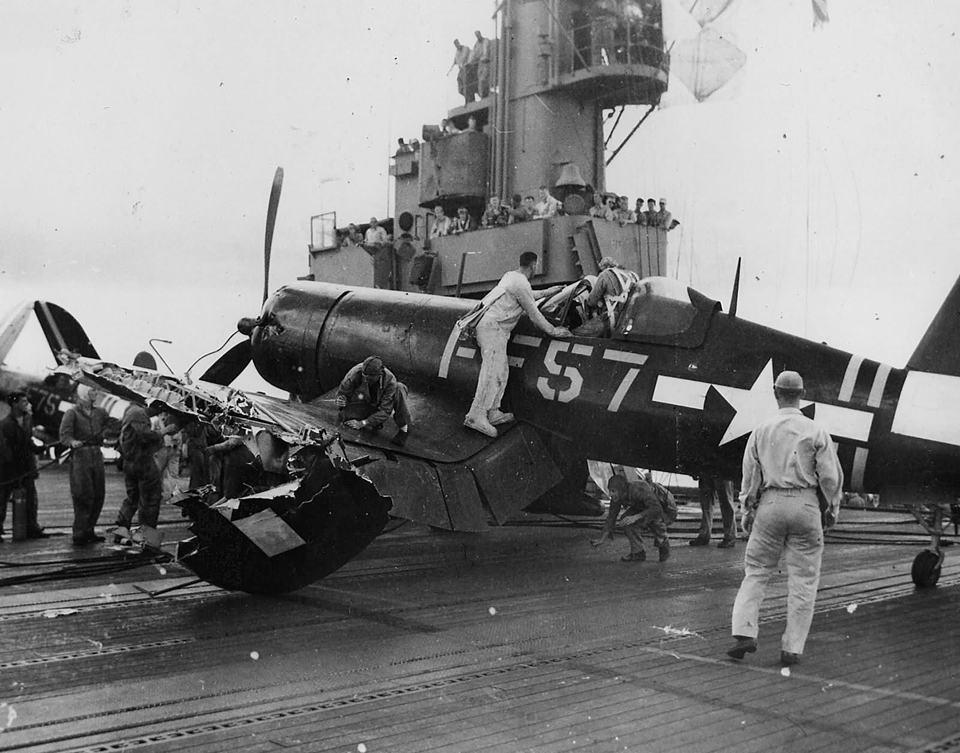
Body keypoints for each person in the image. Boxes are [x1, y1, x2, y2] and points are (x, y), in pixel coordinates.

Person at [728, 370, 843, 667]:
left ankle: (744, 632)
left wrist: (747, 510)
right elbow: (830, 477)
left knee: (756, 572)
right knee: (803, 580)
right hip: (806, 506)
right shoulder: (816, 431)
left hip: (771, 503)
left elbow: (750, 475)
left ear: (776, 393)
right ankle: (792, 647)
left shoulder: (761, 430)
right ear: (802, 395)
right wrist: (831, 510)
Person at [464, 252, 570, 437]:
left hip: (494, 328)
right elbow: (534, 314)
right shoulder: (520, 283)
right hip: (493, 329)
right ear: (534, 264)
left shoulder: (512, 276)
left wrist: (547, 292)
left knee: (502, 370)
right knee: (491, 371)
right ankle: (475, 415)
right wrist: (554, 331)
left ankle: (493, 411)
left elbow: (526, 294)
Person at [113, 400, 176, 550]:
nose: (159, 413)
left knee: (132, 498)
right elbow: (145, 435)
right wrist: (164, 431)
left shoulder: (131, 410)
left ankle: (121, 532)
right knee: (151, 500)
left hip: (131, 462)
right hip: (143, 463)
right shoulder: (138, 413)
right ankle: (148, 541)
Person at [59, 384, 108, 544]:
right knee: (83, 495)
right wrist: (72, 442)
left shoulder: (101, 412)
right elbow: (64, 436)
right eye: (92, 390)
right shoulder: (71, 413)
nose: (96, 392)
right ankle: (79, 532)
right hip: (81, 456)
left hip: (97, 455)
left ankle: (89, 529)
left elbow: (115, 425)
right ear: (84, 393)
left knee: (98, 494)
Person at [591, 473, 671, 562]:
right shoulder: (618, 497)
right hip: (643, 506)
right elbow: (611, 518)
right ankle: (638, 553)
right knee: (626, 520)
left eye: (613, 491)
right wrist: (601, 539)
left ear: (622, 491)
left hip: (665, 506)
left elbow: (656, 508)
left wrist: (636, 517)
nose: (610, 494)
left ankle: (663, 542)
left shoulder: (639, 489)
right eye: (609, 490)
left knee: (654, 521)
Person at [337, 356, 412, 447]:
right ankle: (374, 420)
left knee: (400, 388)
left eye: (369, 378)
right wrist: (341, 400)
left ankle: (404, 428)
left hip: (380, 405)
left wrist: (362, 423)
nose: (366, 380)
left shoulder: (390, 381)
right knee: (344, 416)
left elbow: (385, 410)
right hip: (366, 402)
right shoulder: (355, 372)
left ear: (379, 375)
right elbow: (343, 391)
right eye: (364, 377)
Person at [0, 392, 46, 540]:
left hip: (26, 467)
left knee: (31, 499)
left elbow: (28, 441)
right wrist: (11, 466)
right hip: (9, 468)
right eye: (24, 402)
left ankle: (32, 528)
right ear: (15, 404)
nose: (27, 404)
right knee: (2, 500)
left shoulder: (28, 419)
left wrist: (37, 448)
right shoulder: (5, 424)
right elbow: (4, 448)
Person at [584, 256, 639, 335]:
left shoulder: (605, 274)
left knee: (579, 332)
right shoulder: (633, 275)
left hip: (612, 319)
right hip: (629, 320)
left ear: (604, 267)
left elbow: (592, 301)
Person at [690, 474, 737, 549]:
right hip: (707, 471)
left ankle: (730, 536)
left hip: (721, 470)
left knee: (726, 502)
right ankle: (704, 535)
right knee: (706, 503)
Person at [449, 38, 471, 103]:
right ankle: (466, 95)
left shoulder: (465, 48)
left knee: (465, 80)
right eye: (455, 45)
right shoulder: (457, 52)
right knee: (459, 80)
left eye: (457, 44)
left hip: (468, 66)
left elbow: (468, 56)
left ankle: (468, 98)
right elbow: (456, 60)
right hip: (461, 69)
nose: (457, 45)